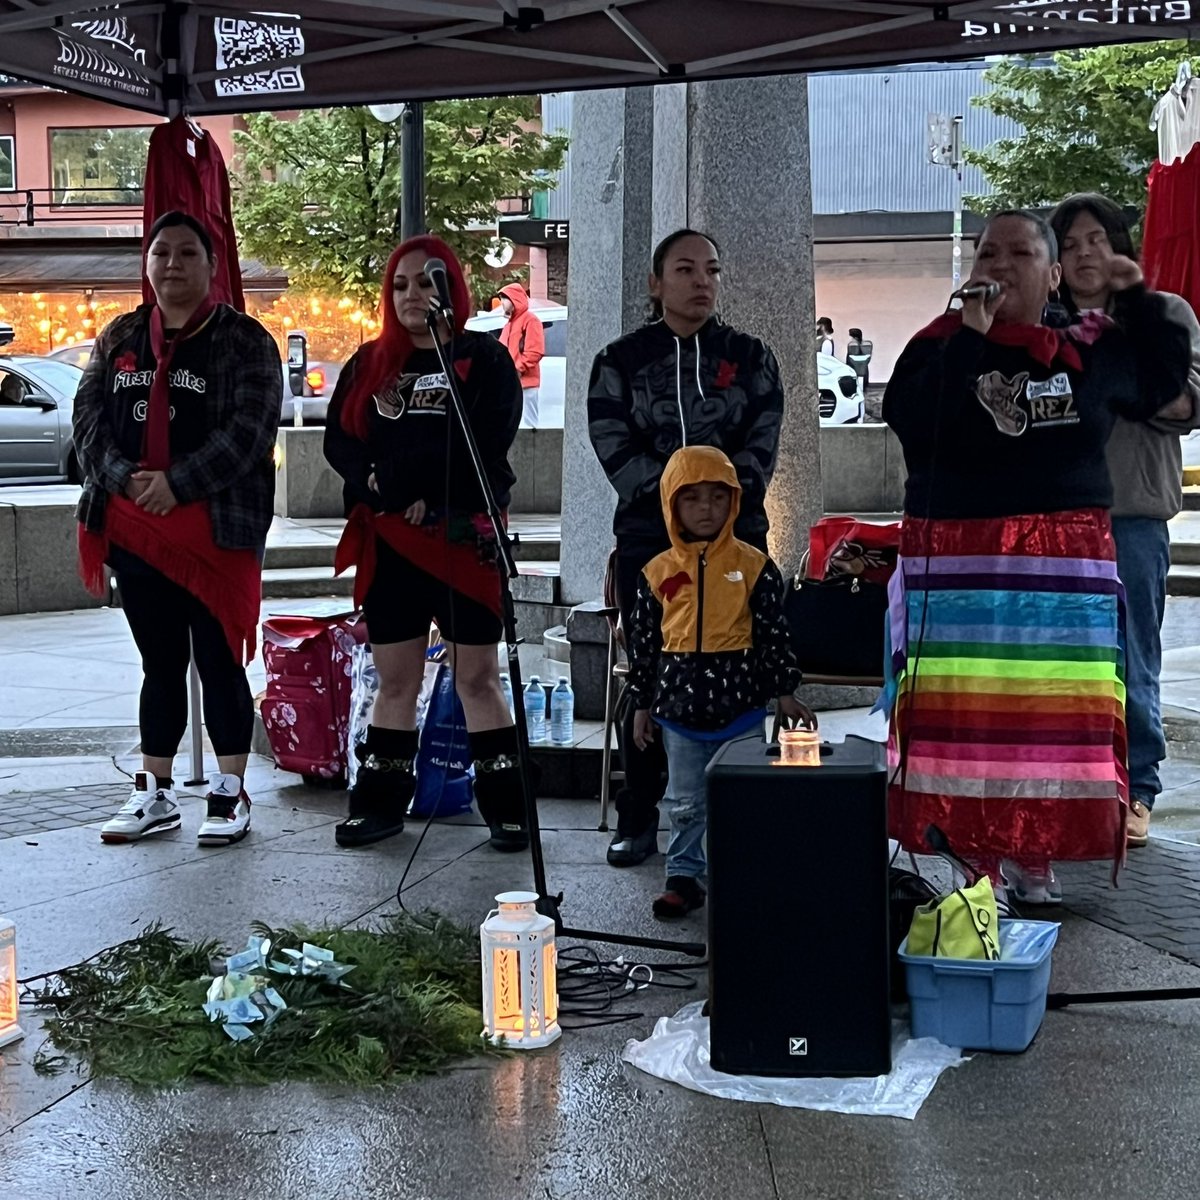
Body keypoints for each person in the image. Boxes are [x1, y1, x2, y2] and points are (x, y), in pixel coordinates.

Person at [883, 209, 1191, 904]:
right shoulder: (936, 346)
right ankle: (973, 856)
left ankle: (1037, 849)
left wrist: (1132, 291)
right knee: (967, 719)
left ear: (1051, 274)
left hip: (1060, 564)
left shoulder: (1088, 344)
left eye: (1020, 252)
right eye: (988, 251)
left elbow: (1164, 377)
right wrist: (971, 339)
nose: (1000, 263)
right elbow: (916, 418)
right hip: (961, 562)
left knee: (1051, 719)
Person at [73, 210, 282, 847]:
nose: (172, 265)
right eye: (160, 253)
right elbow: (87, 418)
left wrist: (178, 482)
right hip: (138, 529)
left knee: (219, 664)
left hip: (216, 530)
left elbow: (251, 431)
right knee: (158, 664)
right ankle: (155, 792)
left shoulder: (246, 341)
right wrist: (124, 476)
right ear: (147, 263)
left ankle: (229, 791)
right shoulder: (119, 337)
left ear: (213, 267)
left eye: (187, 253)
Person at [587, 227, 785, 869]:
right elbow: (613, 442)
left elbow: (762, 441)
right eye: (685, 269)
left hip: (734, 536)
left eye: (712, 270)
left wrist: (716, 496)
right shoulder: (620, 360)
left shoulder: (751, 357)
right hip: (650, 537)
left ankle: (737, 815)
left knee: (737, 661)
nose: (702, 281)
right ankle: (639, 816)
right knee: (648, 668)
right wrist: (674, 493)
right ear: (656, 282)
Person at [324, 235, 524, 851]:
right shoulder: (367, 363)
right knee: (396, 679)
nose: (414, 294)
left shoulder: (483, 361)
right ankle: (380, 805)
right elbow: (342, 442)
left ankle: (507, 808)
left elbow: (485, 441)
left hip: (463, 538)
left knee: (477, 679)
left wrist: (416, 485)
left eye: (427, 281)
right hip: (393, 541)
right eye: (401, 284)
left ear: (452, 290)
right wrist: (382, 489)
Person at [1050, 193, 1200, 848]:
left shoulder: (1164, 315)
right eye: (1071, 242)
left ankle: (1137, 786)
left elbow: (1187, 402)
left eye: (1096, 239)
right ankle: (1072, 785)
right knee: (1059, 664)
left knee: (1132, 656)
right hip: (1052, 522)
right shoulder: (1040, 325)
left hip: (1132, 517)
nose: (1085, 253)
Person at [626, 445, 811, 918]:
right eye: (692, 499)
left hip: (742, 711)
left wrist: (784, 692)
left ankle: (740, 873)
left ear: (734, 502)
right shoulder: (656, 572)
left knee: (740, 801)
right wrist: (642, 705)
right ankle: (683, 877)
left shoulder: (754, 568)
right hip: (679, 715)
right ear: (672, 505)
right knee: (685, 802)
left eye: (716, 498)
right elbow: (644, 647)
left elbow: (773, 634)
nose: (705, 509)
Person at [496, 283, 545, 429]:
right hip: (511, 383)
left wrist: (517, 370)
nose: (502, 303)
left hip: (526, 384)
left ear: (514, 299)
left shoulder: (531, 320)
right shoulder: (508, 325)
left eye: (505, 299)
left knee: (529, 428)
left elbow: (534, 351)